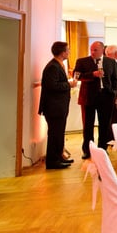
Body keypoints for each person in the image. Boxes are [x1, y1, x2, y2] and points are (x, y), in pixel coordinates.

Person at [72, 41, 117, 158]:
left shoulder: (110, 62)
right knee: (88, 125)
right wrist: (92, 74)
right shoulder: (82, 61)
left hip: (106, 97)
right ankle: (88, 150)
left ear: (102, 50)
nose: (92, 52)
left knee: (105, 125)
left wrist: (113, 91)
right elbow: (76, 76)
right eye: (91, 50)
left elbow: (116, 79)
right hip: (88, 97)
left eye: (95, 50)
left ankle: (102, 148)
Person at [38, 41, 76, 169]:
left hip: (59, 106)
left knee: (59, 133)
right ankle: (52, 161)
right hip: (54, 107)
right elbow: (52, 86)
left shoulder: (58, 65)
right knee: (55, 134)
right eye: (67, 50)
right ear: (62, 52)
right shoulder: (53, 67)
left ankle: (59, 157)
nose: (69, 52)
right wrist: (69, 84)